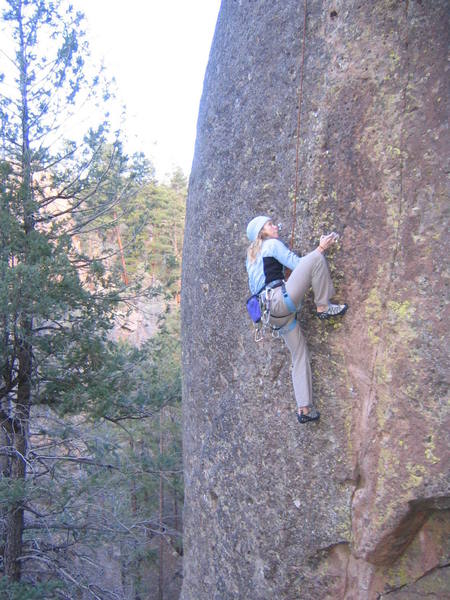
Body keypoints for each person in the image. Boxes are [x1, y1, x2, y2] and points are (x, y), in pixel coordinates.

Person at [246, 215, 348, 424]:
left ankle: (304, 408)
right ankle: (324, 306)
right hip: (280, 301)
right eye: (270, 224)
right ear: (262, 232)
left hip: (273, 316)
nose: (275, 226)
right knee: (317, 258)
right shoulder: (271, 244)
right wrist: (320, 247)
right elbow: (301, 263)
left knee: (299, 354)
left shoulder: (251, 257)